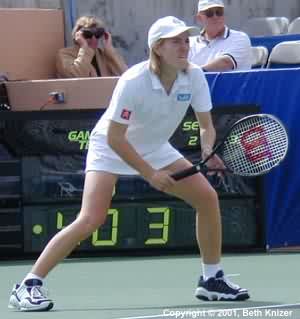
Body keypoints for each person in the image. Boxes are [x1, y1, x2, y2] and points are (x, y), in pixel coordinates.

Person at [8, 16, 249, 312]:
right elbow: (115, 138)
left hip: (156, 146)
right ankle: (28, 285)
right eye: (176, 41)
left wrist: (209, 148)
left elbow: (205, 125)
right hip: (110, 146)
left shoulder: (195, 75)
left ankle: (211, 280)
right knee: (91, 219)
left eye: (186, 40)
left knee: (207, 198)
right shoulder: (134, 81)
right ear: (158, 48)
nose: (184, 46)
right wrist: (150, 174)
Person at [189, 0, 252, 71]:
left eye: (219, 12)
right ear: (199, 18)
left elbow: (226, 63)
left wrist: (194, 74)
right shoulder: (190, 43)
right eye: (209, 13)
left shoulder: (240, 38)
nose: (215, 17)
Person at [56, 15, 128, 78]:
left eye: (97, 34)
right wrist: (84, 47)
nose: (93, 39)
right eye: (88, 35)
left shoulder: (103, 55)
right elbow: (76, 76)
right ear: (78, 35)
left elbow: (126, 75)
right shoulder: (65, 54)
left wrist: (110, 50)